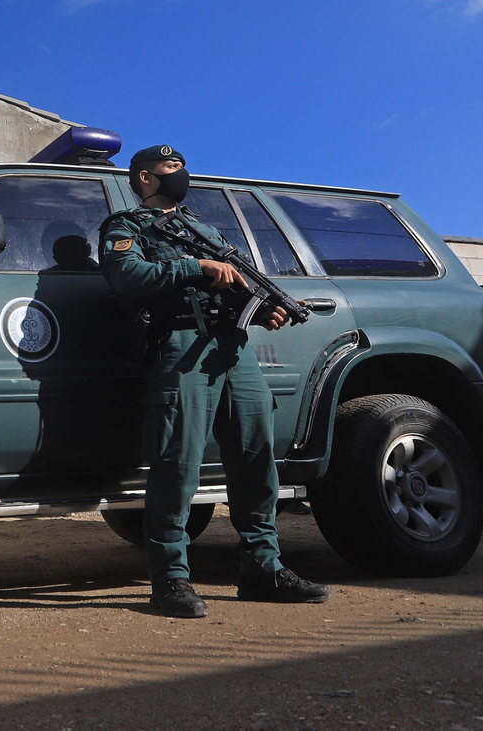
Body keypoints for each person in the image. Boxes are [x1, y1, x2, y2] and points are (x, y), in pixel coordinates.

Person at [99, 144, 330, 618]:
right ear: (144, 178)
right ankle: (170, 580)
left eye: (182, 166)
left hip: (233, 349)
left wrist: (265, 308)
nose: (182, 173)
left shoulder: (204, 228)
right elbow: (126, 276)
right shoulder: (127, 226)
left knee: (255, 458)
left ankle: (262, 569)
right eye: (170, 167)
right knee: (177, 464)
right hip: (181, 345)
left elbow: (239, 278)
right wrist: (194, 267)